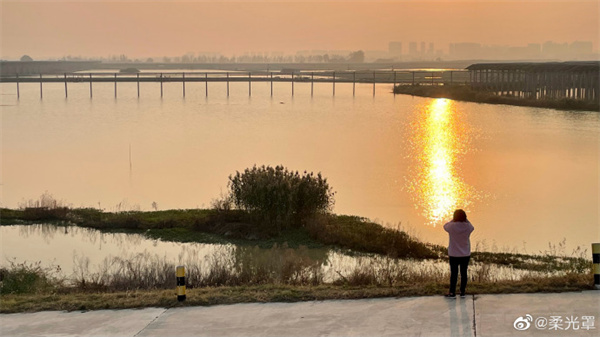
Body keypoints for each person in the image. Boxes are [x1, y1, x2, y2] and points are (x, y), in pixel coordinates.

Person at [443, 209, 474, 299]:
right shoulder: (468, 227)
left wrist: (453, 220)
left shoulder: (451, 226)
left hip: (453, 254)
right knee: (464, 273)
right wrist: (466, 220)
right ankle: (462, 292)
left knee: (454, 274)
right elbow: (472, 227)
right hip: (465, 254)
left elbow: (445, 226)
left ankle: (452, 292)